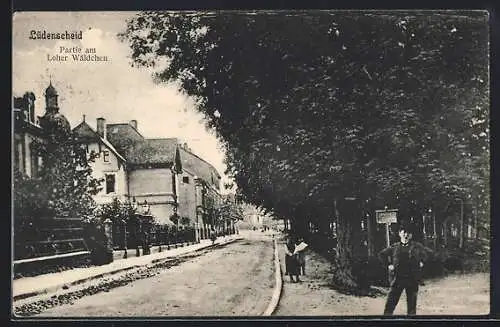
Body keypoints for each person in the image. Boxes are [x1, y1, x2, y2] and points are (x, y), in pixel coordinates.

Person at [378, 223, 429, 315]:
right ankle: (386, 320)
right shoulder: (395, 247)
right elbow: (382, 254)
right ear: (399, 234)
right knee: (391, 302)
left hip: (412, 278)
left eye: (408, 233)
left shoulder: (416, 246)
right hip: (398, 278)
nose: (406, 235)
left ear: (411, 235)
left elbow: (427, 254)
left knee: (412, 304)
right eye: (404, 232)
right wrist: (389, 265)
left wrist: (422, 262)